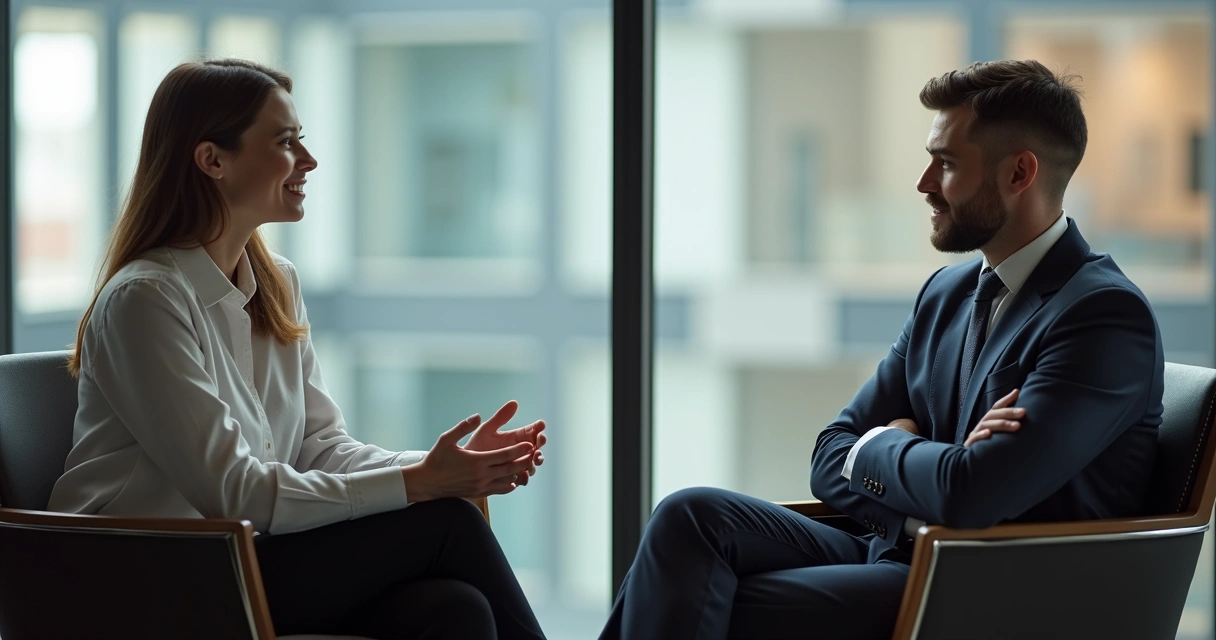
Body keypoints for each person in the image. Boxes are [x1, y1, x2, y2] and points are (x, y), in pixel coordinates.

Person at [599, 59, 1163, 640]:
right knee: (687, 518)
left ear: (1020, 173)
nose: (923, 183)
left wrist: (885, 445)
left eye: (945, 164)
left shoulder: (1102, 316)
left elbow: (971, 493)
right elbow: (828, 455)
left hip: (997, 590)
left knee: (714, 597)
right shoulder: (945, 294)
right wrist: (926, 468)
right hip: (896, 549)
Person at [47, 59, 549, 640]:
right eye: (285, 142)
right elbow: (235, 493)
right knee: (447, 522)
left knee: (455, 610)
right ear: (212, 160)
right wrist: (422, 485)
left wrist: (435, 466)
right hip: (144, 580)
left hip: (246, 559)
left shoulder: (276, 283)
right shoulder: (144, 299)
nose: (308, 161)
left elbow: (318, 446)